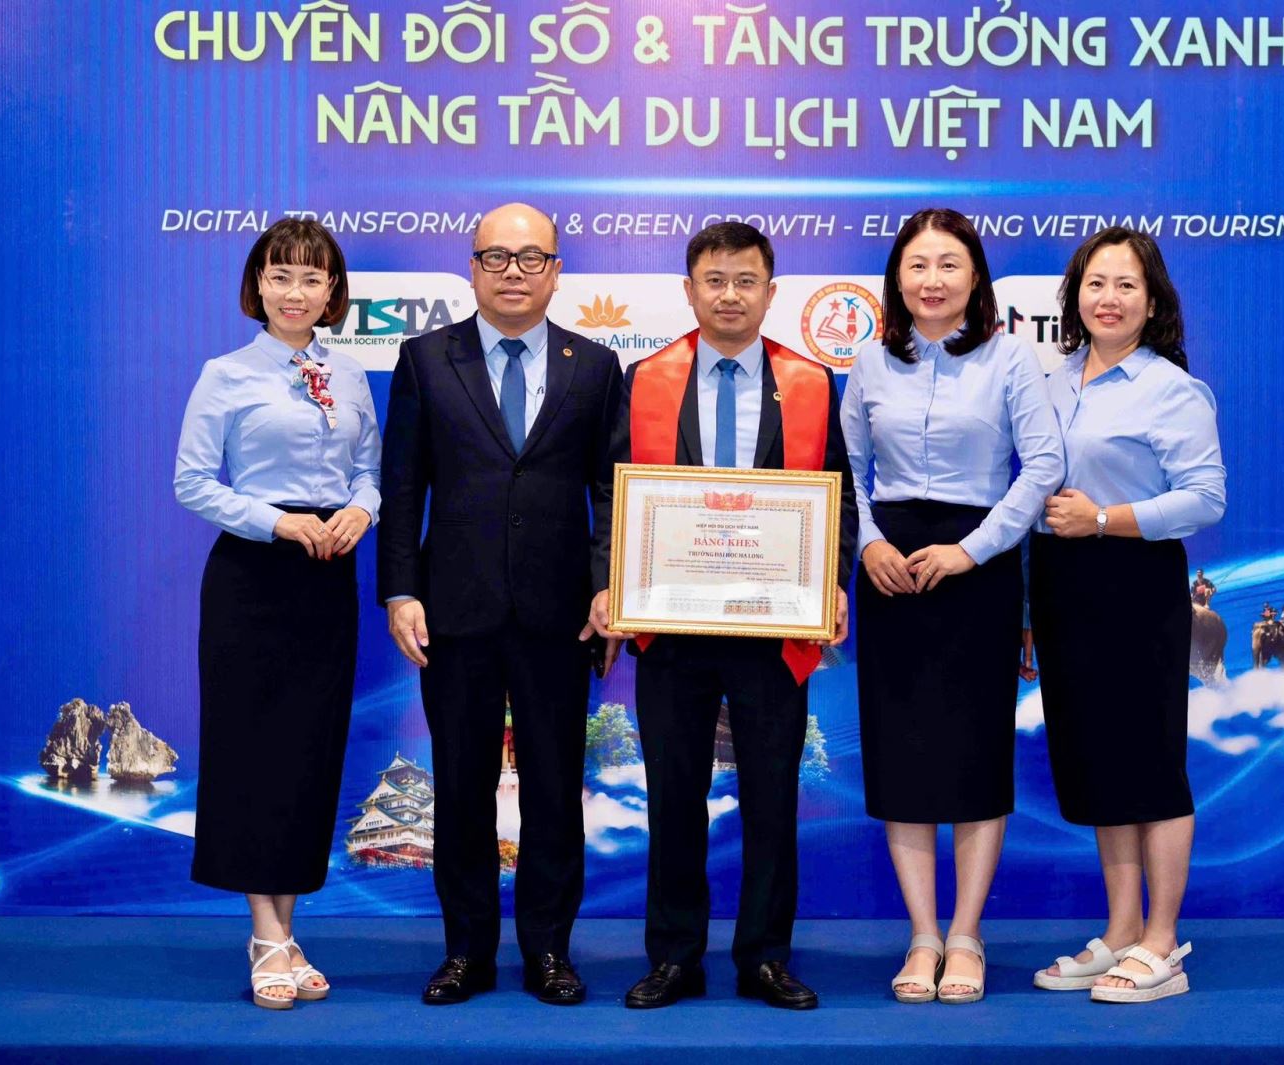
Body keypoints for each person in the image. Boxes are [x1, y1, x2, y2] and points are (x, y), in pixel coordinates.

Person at [585, 222, 857, 1010]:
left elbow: (837, 495)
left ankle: (765, 956)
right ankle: (674, 956)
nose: (729, 295)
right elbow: (610, 491)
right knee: (673, 793)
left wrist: (831, 580)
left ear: (771, 292)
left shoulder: (810, 382)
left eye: (745, 281)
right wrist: (608, 580)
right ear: (688, 290)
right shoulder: (645, 379)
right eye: (714, 279)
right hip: (671, 621)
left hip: (772, 623)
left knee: (773, 793)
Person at [376, 203, 623, 1006]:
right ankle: (467, 953)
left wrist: (609, 584)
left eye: (531, 257)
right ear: (473, 267)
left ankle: (550, 949)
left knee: (554, 788)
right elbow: (402, 485)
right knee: (461, 786)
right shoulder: (425, 359)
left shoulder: (596, 366)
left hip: (562, 614)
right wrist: (401, 589)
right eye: (496, 256)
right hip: (455, 611)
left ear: (556, 270)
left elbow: (610, 490)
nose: (513, 271)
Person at [840, 209, 1063, 1005]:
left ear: (975, 276)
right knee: (901, 756)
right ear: (897, 278)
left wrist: (972, 550)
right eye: (917, 265)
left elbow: (1043, 466)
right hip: (891, 571)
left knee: (974, 755)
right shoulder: (869, 362)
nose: (932, 280)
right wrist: (868, 545)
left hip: (979, 569)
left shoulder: (1012, 359)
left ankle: (966, 933)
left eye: (949, 264)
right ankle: (922, 934)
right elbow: (848, 471)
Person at [174, 219, 380, 1010]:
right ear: (257, 285)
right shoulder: (225, 374)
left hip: (328, 576)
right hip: (253, 576)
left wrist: (361, 510)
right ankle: (265, 932)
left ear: (333, 291)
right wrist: (277, 522)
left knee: (308, 754)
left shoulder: (349, 374)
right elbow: (193, 482)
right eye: (280, 276)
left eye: (312, 278)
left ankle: (287, 932)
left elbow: (370, 470)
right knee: (251, 752)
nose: (295, 292)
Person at [1026, 226, 1225, 1004]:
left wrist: (1106, 518)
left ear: (1152, 300)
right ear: (1075, 294)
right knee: (1098, 761)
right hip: (1061, 583)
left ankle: (1162, 941)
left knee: (1149, 763)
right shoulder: (1051, 381)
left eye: (1126, 285)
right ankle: (1121, 929)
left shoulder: (1172, 389)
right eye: (1096, 283)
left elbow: (1205, 498)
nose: (1109, 298)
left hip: (1135, 582)